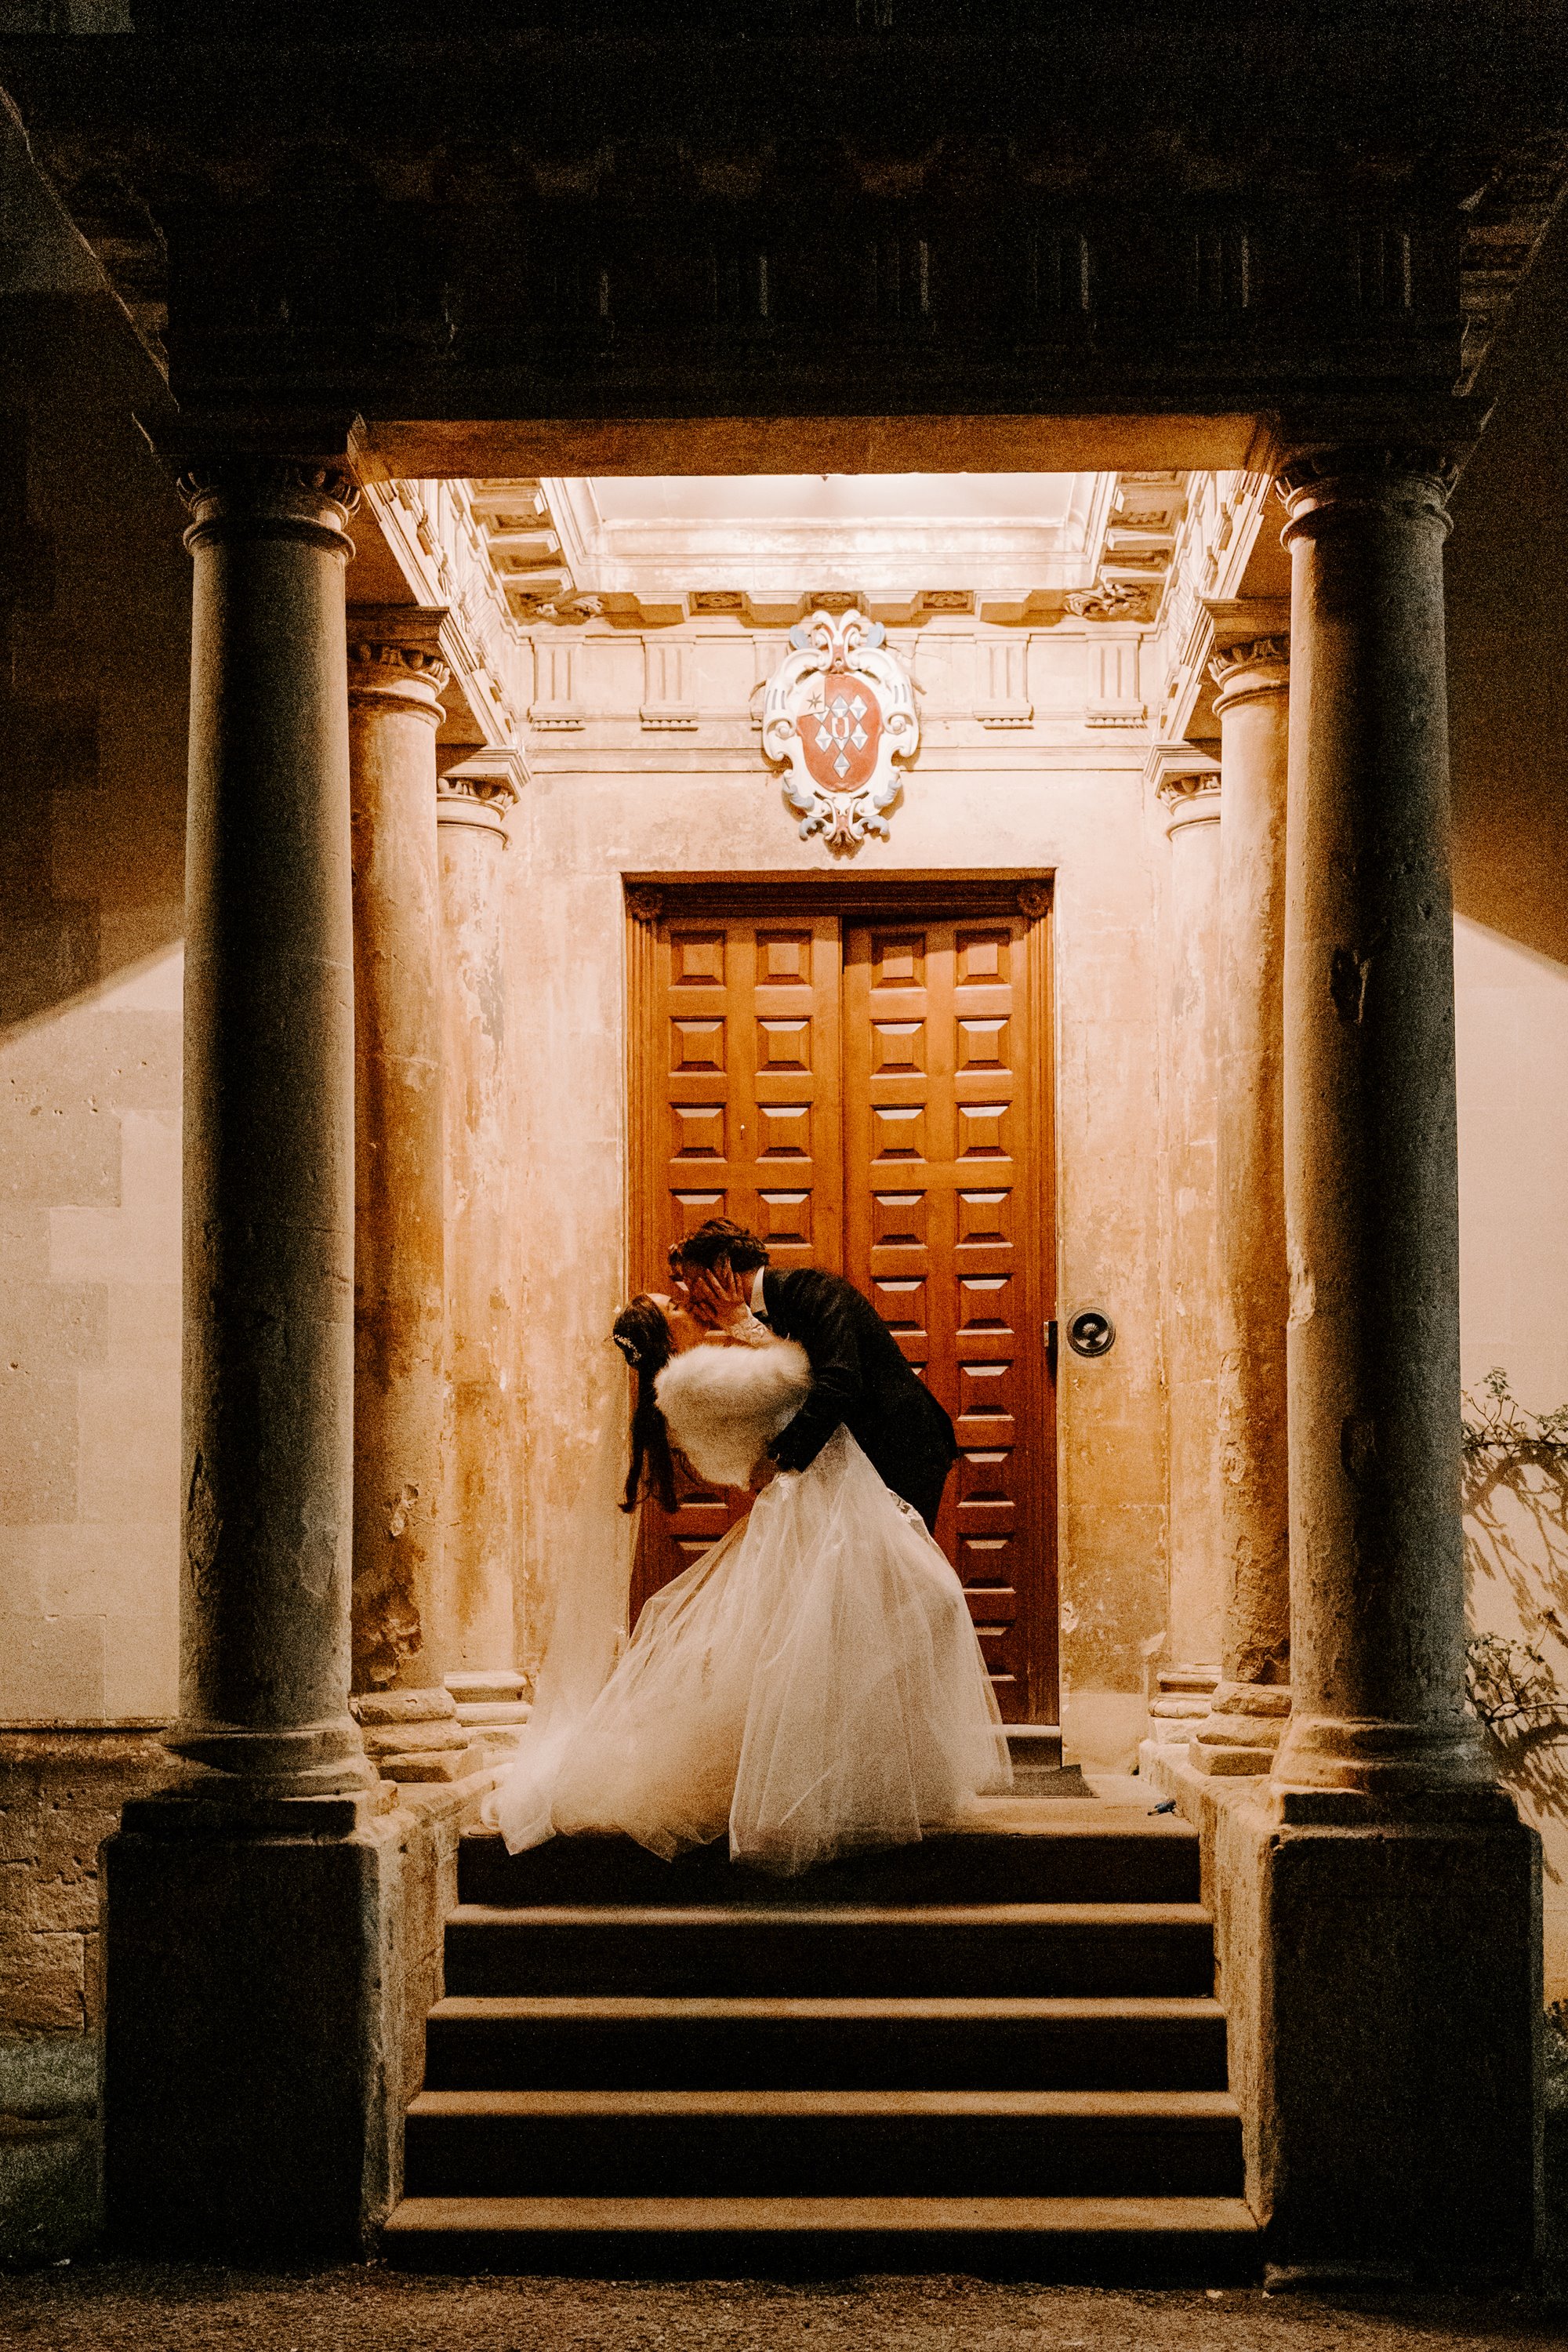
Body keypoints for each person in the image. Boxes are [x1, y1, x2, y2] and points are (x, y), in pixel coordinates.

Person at [486, 1283, 1009, 1874]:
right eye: (677, 1309)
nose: (691, 1306)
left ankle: (854, 1778)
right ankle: (844, 1782)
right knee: (915, 1609)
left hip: (819, 1511)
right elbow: (804, 1374)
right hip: (816, 1516)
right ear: (665, 1335)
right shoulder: (696, 1379)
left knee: (829, 1645)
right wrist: (742, 1319)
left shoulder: (683, 1390)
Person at [672, 1218, 958, 1533]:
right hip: (867, 1452)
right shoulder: (760, 1310)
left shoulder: (809, 1288)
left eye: (691, 1280)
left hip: (903, 1446)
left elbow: (839, 1380)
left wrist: (781, 1457)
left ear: (722, 1268)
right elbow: (800, 1371)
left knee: (902, 1566)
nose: (689, 1296)